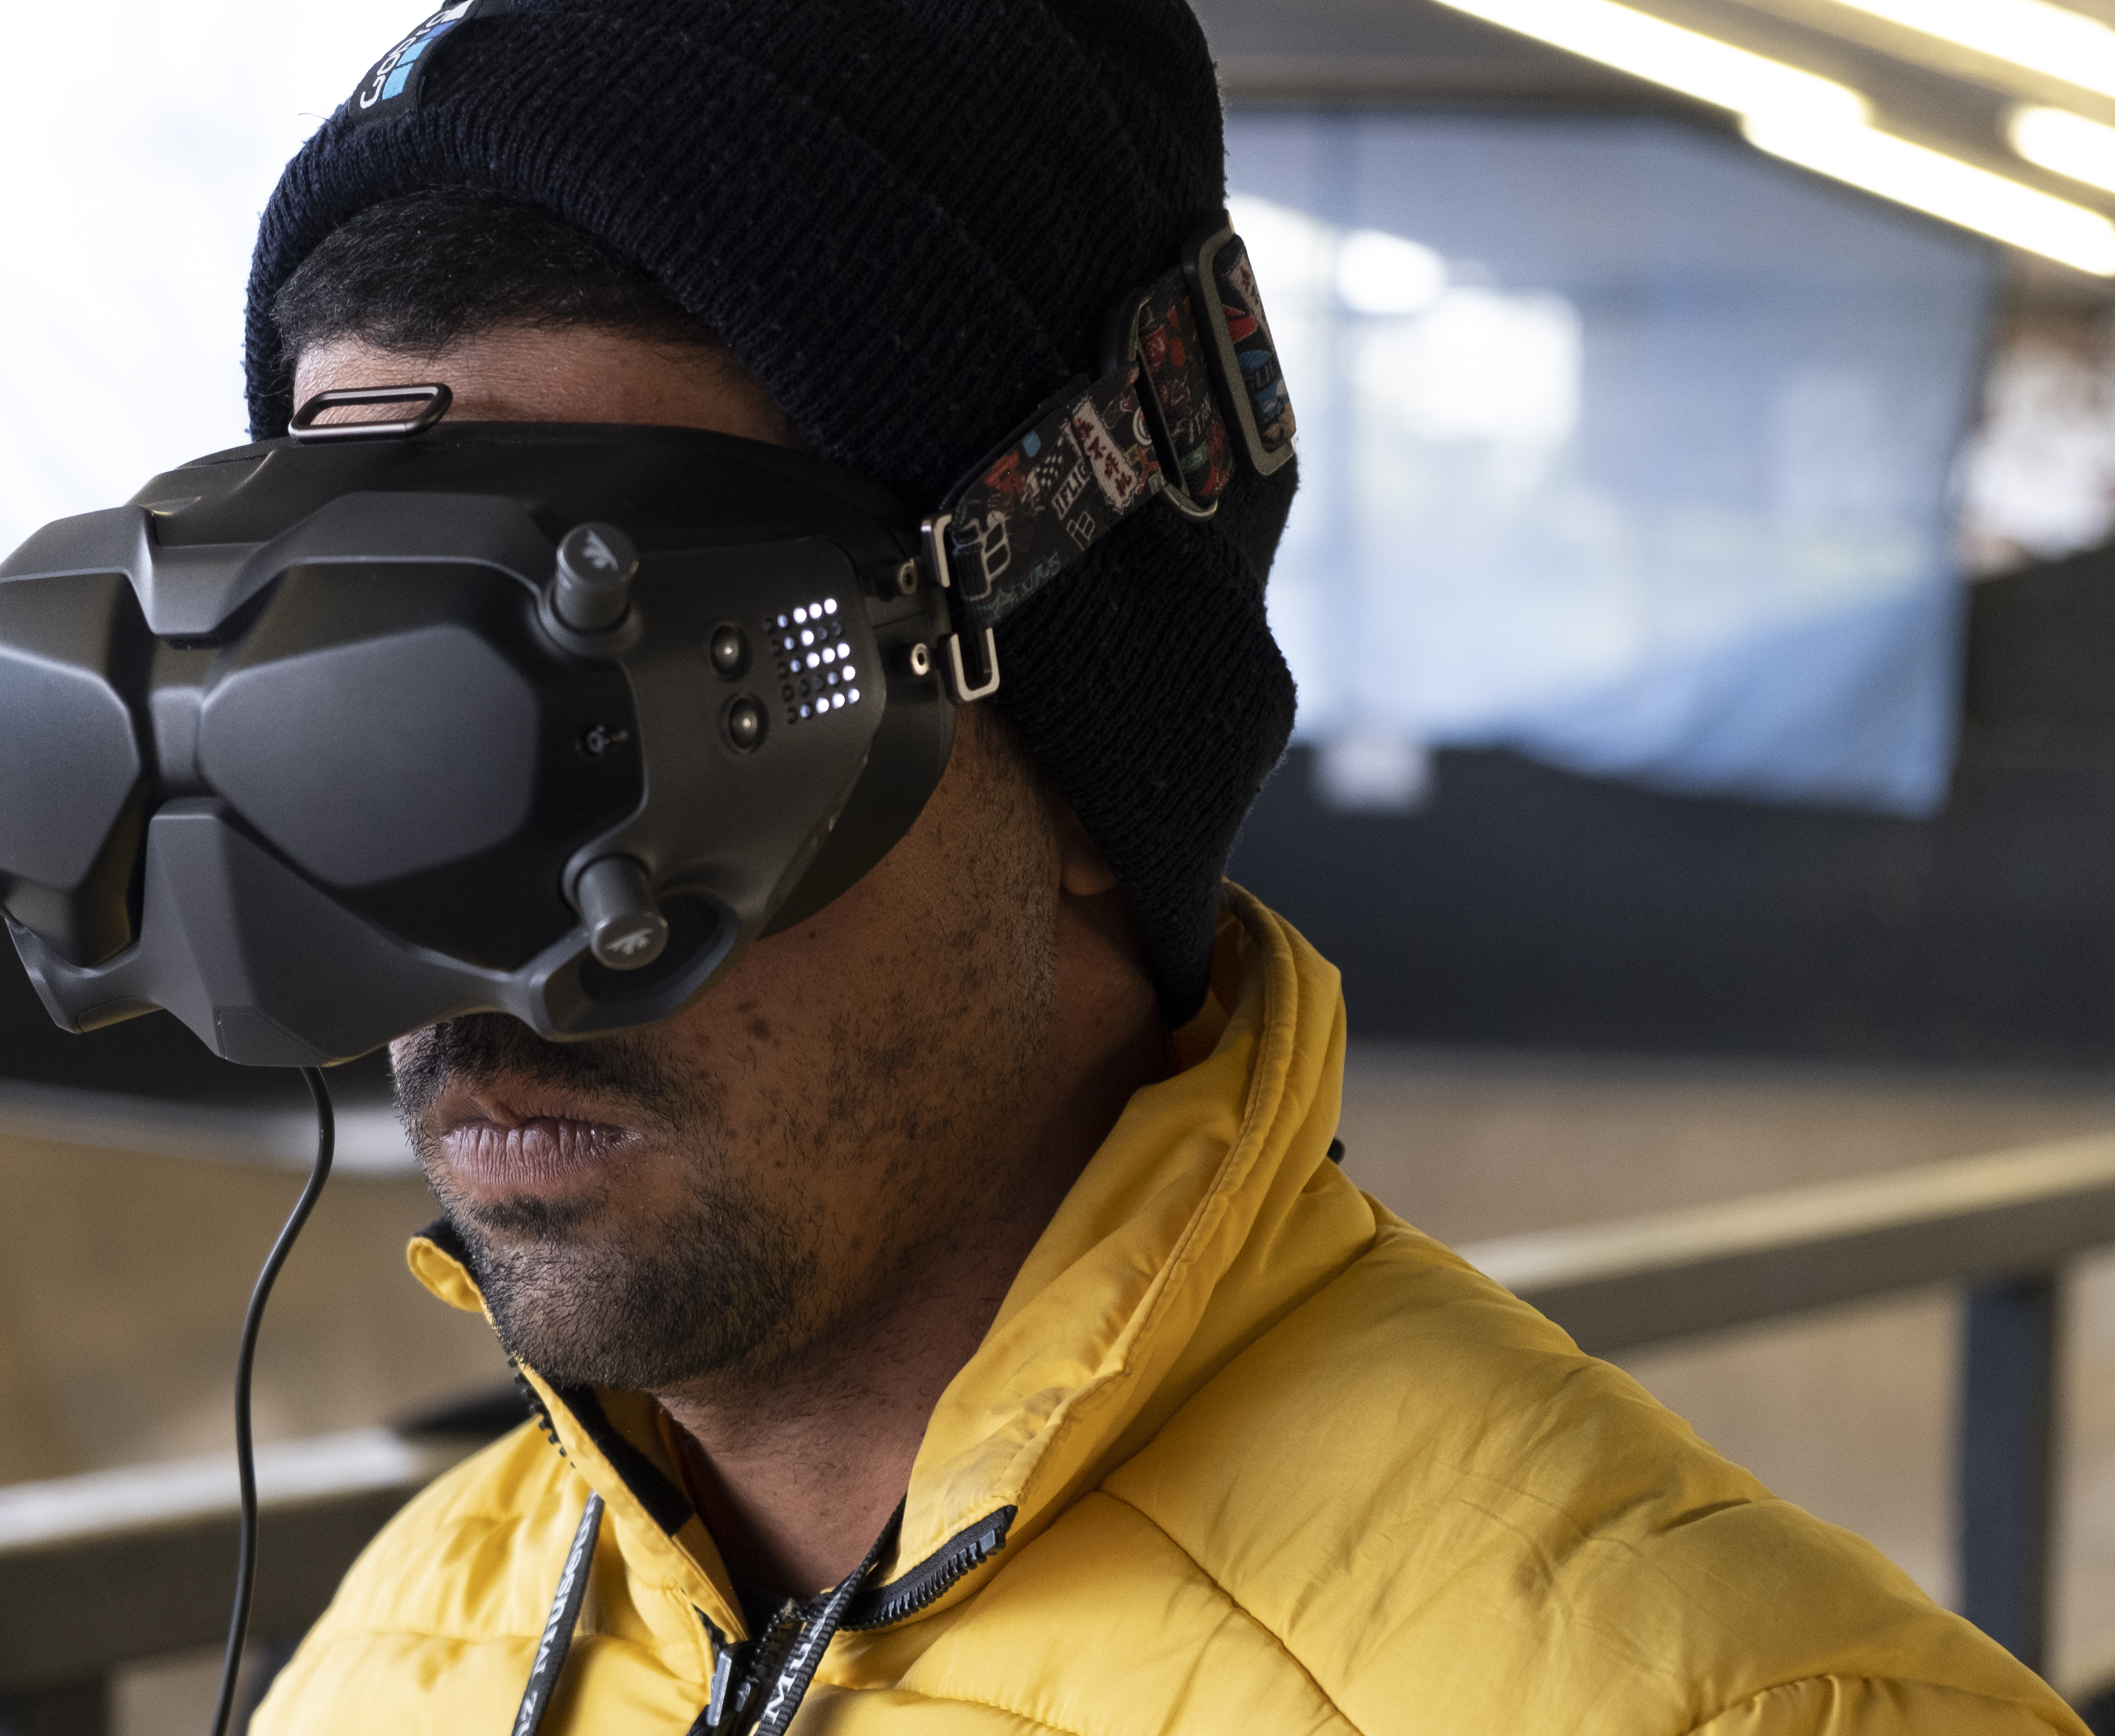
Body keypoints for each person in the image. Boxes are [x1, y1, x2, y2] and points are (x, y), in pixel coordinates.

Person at [235, 3, 2082, 1730]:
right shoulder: (396, 1653)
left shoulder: (1722, 1703)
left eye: (637, 726)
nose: (467, 939)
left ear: (1074, 755)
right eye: (378, 736)